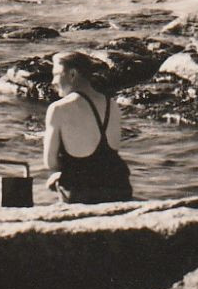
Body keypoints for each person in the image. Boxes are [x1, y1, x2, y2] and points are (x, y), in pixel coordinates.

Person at [43, 52, 133, 204]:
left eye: (56, 74)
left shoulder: (58, 109)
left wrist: (59, 174)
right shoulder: (112, 105)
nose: (52, 81)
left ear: (72, 74)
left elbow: (50, 162)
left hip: (82, 194)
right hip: (119, 190)